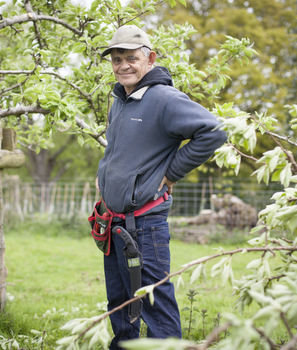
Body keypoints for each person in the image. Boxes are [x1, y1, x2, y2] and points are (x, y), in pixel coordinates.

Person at [95, 25, 227, 349]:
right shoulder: (120, 100)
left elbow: (214, 132)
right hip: (113, 221)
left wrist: (171, 174)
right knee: (121, 304)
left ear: (150, 58)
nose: (123, 65)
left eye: (130, 58)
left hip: (145, 225)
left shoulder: (164, 99)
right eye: (116, 59)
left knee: (155, 304)